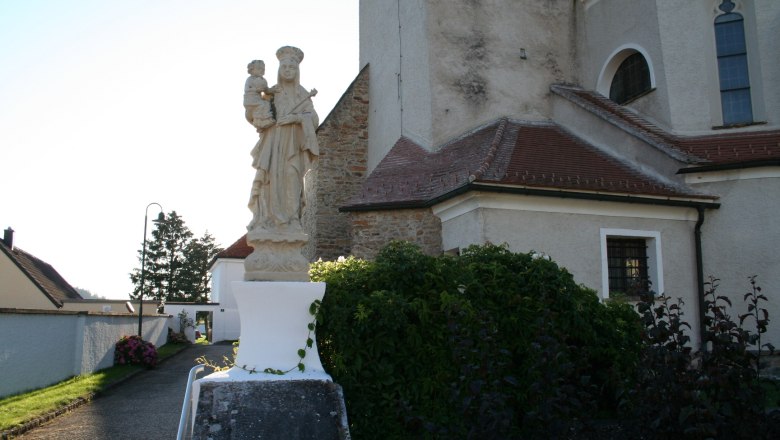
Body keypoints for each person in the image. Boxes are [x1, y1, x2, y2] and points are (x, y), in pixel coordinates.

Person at [247, 46, 319, 234]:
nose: (288, 70)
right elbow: (253, 113)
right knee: (270, 179)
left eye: (292, 67)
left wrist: (296, 118)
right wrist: (257, 112)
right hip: (272, 141)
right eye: (284, 67)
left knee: (291, 175)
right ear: (279, 69)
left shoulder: (303, 94)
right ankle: (267, 220)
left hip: (293, 143)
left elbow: (314, 119)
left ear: (297, 71)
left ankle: (292, 220)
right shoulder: (272, 92)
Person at [243, 60, 274, 129]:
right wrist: (256, 90)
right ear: (252, 70)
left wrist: (273, 90)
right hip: (250, 99)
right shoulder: (250, 79)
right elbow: (247, 89)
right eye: (259, 69)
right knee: (262, 104)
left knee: (266, 103)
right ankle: (261, 121)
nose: (262, 71)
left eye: (263, 69)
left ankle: (265, 119)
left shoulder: (262, 80)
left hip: (257, 98)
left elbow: (266, 90)